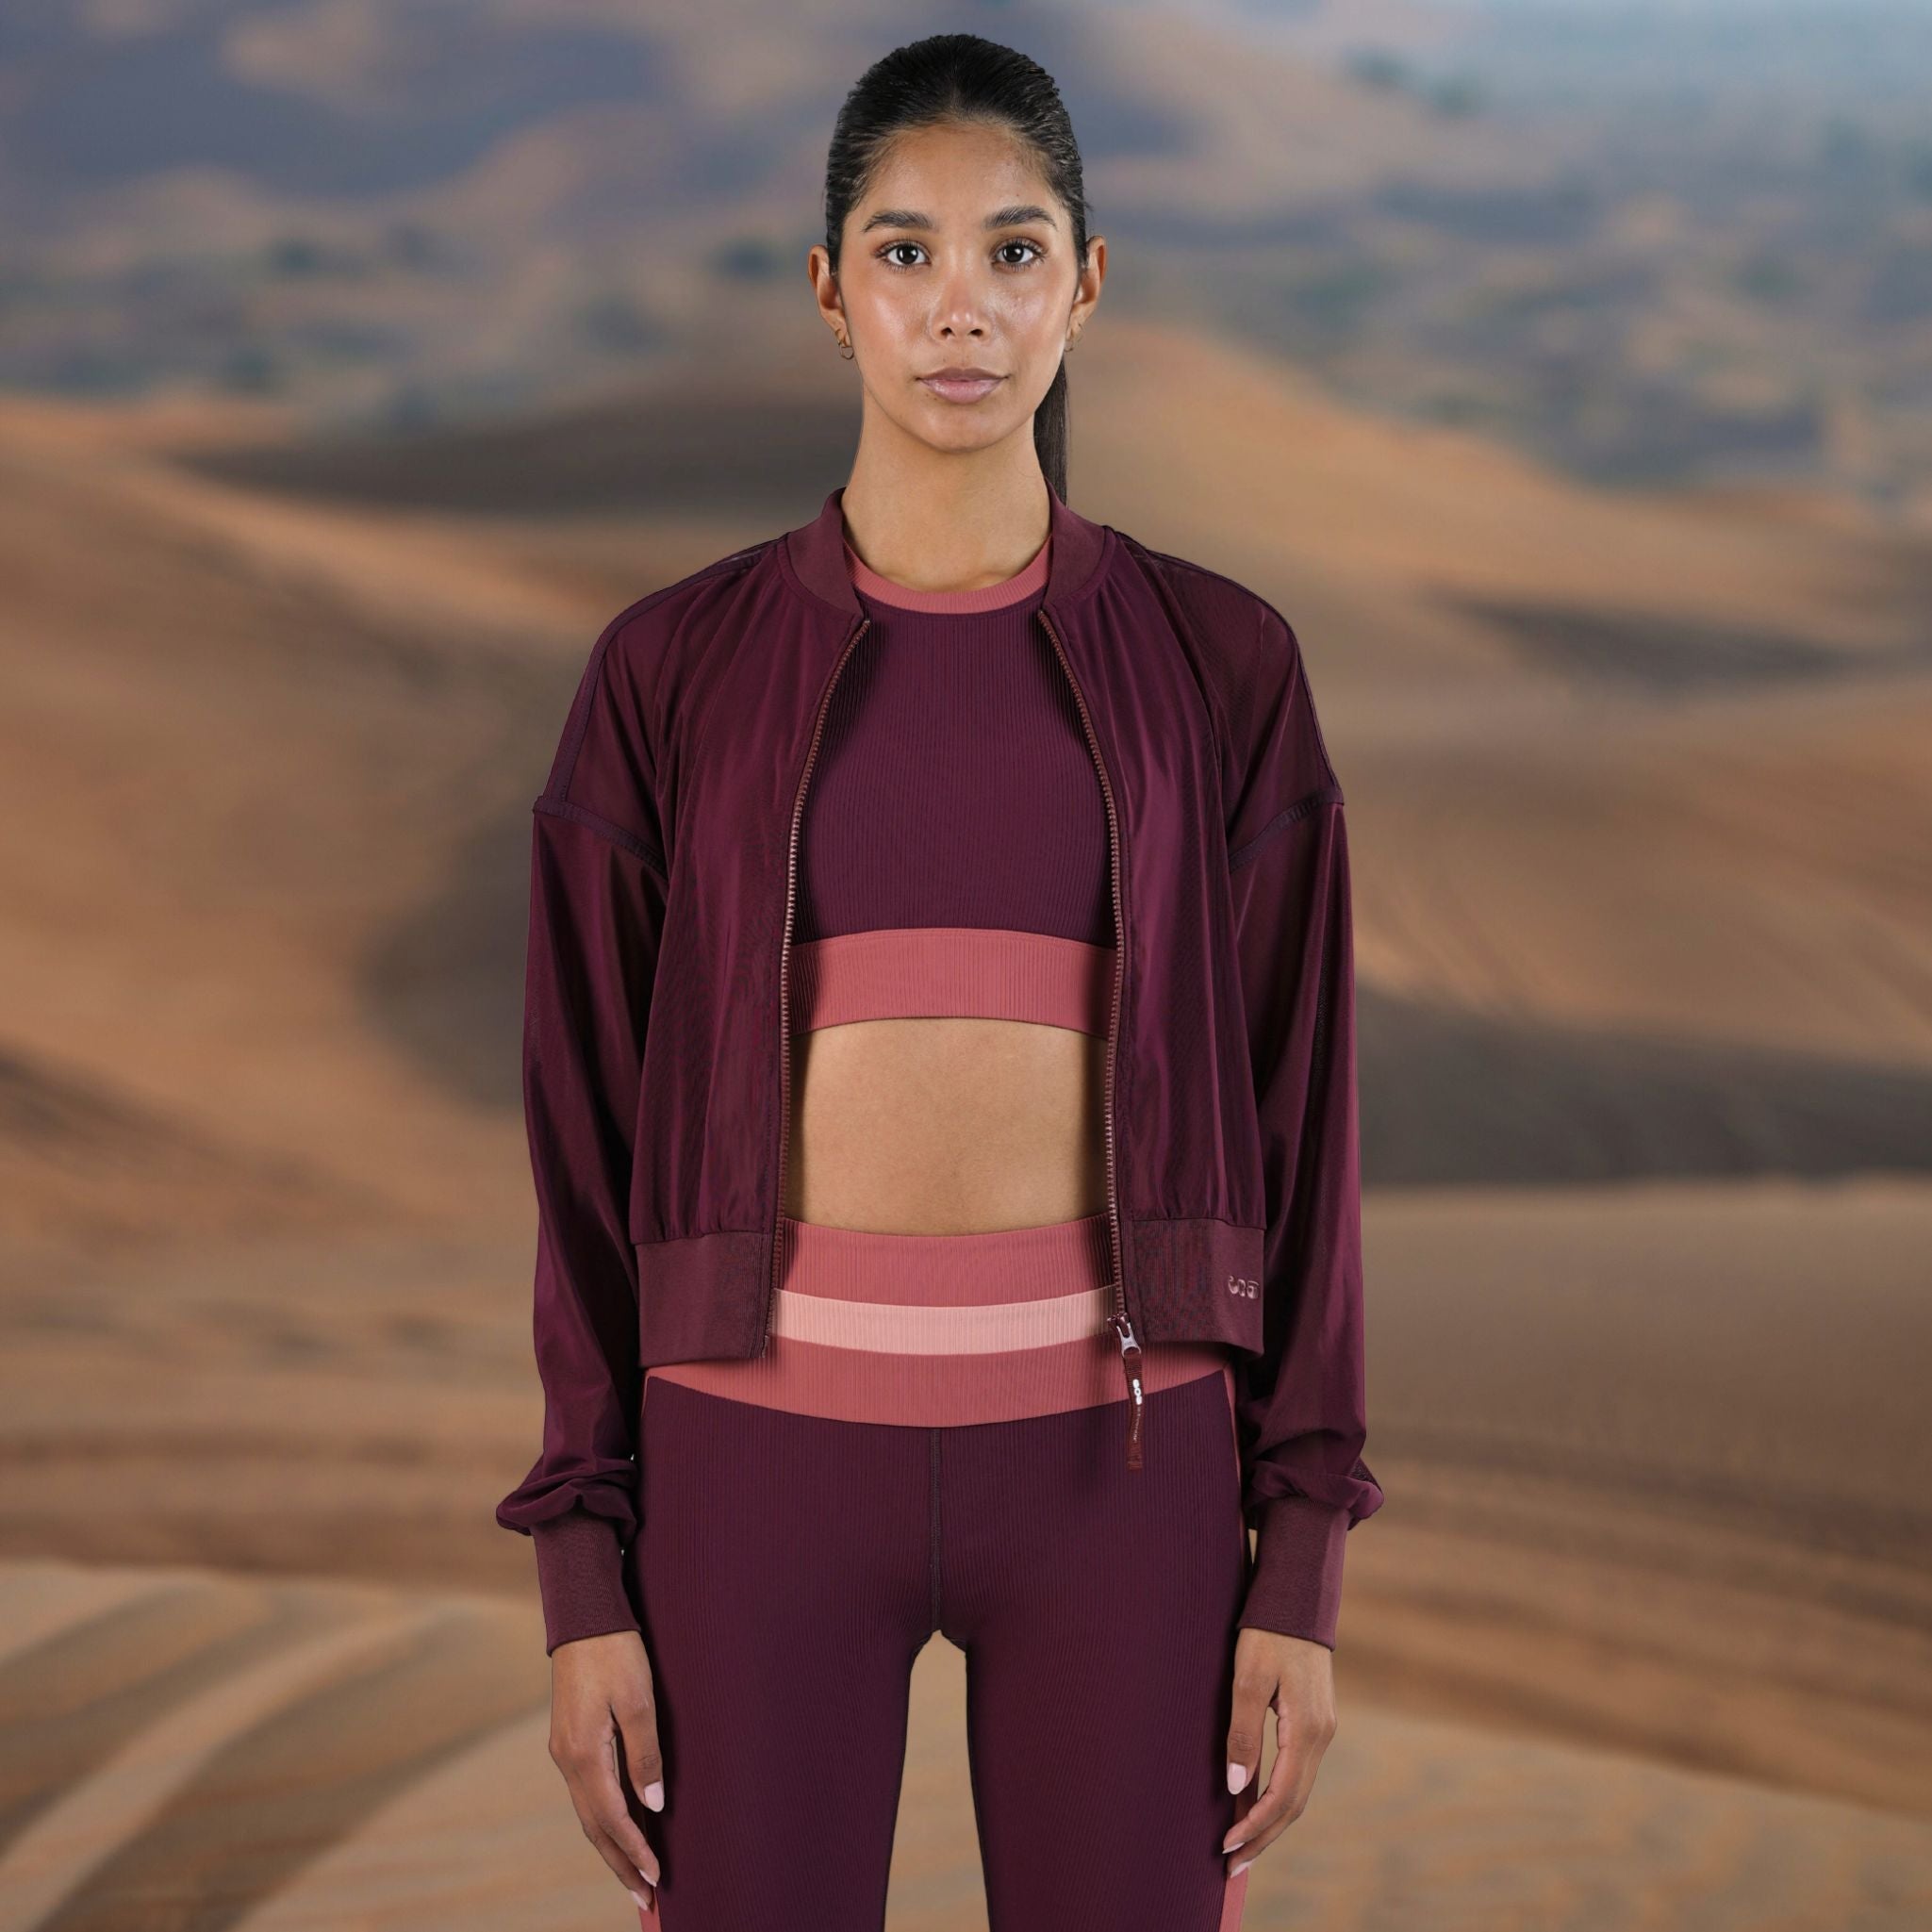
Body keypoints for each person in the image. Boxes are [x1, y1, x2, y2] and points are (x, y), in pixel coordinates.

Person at [495, 31, 1382, 1930]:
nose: (955, 308)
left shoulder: (1220, 662)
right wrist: (585, 1568)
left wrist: (1295, 1561)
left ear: (1086, 280)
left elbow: (1302, 1119)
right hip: (747, 1469)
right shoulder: (668, 673)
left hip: (1127, 1476)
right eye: (902, 253)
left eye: (1008, 249)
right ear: (828, 294)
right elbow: (578, 1138)